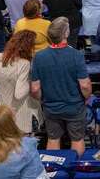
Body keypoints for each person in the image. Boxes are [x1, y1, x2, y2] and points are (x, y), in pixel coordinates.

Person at [30, 17, 91, 154]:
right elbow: (85, 85)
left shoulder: (39, 57)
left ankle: (55, 173)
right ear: (66, 34)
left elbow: (34, 88)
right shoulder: (76, 55)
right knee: (77, 139)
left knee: (53, 139)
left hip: (51, 108)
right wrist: (86, 97)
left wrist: (42, 99)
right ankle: (75, 172)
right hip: (74, 106)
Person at [0, 30, 43, 134]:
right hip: (21, 116)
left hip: (2, 112)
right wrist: (32, 83)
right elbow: (19, 94)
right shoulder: (24, 64)